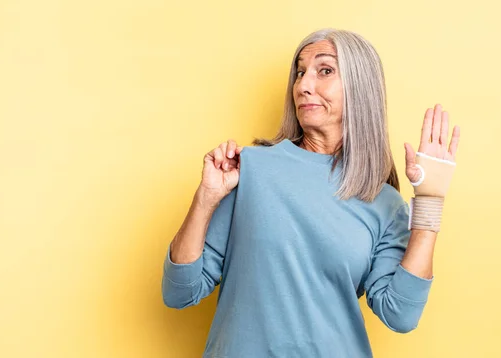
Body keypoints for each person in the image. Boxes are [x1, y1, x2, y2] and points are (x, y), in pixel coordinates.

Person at [161, 28, 461, 357]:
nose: (303, 86)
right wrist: (206, 198)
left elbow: (400, 315)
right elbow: (180, 293)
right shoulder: (248, 169)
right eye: (300, 72)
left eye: (325, 70)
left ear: (361, 88)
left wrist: (429, 205)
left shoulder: (383, 201)